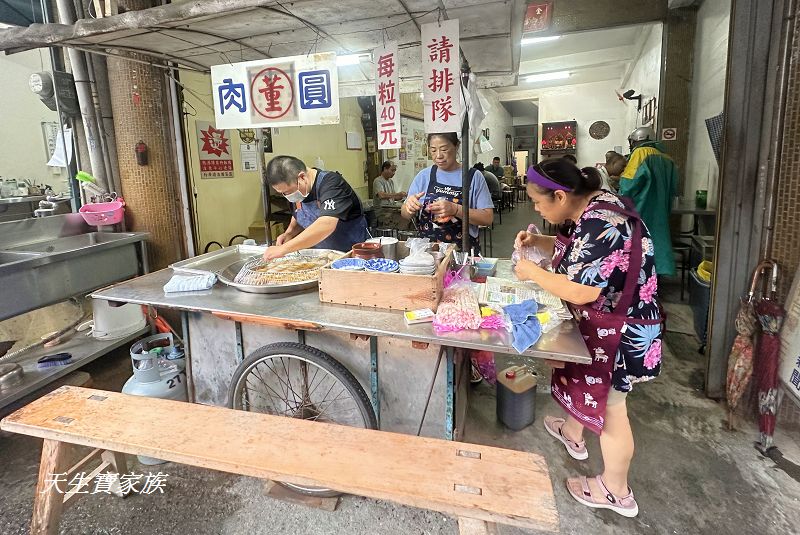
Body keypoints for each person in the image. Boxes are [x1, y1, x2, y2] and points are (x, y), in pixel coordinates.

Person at [513, 157, 663, 518]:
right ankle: (572, 432)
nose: (534, 206)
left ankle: (616, 491)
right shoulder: (596, 206)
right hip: (609, 322)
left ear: (561, 196)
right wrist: (541, 241)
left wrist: (531, 269)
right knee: (587, 381)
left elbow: (581, 290)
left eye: (537, 201)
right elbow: (582, 252)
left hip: (622, 333)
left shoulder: (601, 222)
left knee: (612, 409)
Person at [401, 132, 494, 252]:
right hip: (428, 254)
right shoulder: (424, 176)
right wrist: (409, 207)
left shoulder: (473, 177)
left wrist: (455, 209)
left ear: (457, 146)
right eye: (433, 150)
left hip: (463, 253)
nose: (438, 156)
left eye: (444, 149)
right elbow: (404, 213)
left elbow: (487, 218)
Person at [263, 155, 368, 260]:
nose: (286, 196)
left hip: (351, 256)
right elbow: (300, 214)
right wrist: (289, 233)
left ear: (302, 177)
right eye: (282, 193)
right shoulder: (299, 191)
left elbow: (326, 224)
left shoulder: (331, 184)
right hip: (323, 257)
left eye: (287, 192)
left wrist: (284, 249)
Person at [618, 126, 677, 276]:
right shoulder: (667, 158)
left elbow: (629, 184)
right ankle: (656, 276)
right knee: (658, 240)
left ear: (638, 140)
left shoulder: (640, 153)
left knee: (639, 243)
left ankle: (642, 279)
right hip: (662, 208)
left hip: (642, 207)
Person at [373, 161, 406, 227]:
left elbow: (394, 197)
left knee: (408, 216)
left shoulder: (390, 181)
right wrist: (396, 194)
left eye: (394, 171)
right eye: (392, 170)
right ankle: (398, 234)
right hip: (383, 212)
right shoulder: (378, 181)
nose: (393, 173)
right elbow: (381, 195)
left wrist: (402, 196)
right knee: (404, 219)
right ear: (385, 169)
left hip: (391, 210)